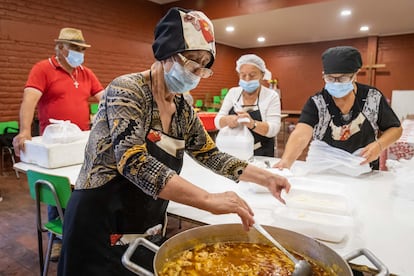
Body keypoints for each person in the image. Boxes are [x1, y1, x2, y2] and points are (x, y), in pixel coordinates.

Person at [57, 8, 290, 275]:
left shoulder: (181, 109)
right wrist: (207, 199)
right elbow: (134, 162)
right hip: (100, 218)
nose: (196, 73)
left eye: (203, 67)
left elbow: (211, 154)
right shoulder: (127, 90)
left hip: (145, 220)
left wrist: (266, 177)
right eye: (192, 63)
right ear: (166, 54)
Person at [12, 27, 104, 261]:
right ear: (61, 48)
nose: (80, 53)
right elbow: (29, 100)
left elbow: (104, 99)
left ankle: (81, 231)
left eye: (83, 49)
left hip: (80, 142)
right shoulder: (43, 69)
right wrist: (24, 131)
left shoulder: (86, 73)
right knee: (59, 188)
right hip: (54, 145)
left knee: (82, 183)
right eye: (76, 48)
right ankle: (58, 238)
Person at [274, 46, 402, 170]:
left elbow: (395, 128)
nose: (336, 83)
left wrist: (379, 145)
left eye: (343, 78)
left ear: (355, 74)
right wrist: (286, 161)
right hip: (325, 167)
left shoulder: (372, 98)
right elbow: (301, 134)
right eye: (330, 78)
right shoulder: (318, 102)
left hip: (363, 166)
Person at [214, 54, 281, 157]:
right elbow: (217, 121)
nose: (247, 79)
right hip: (232, 151)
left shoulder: (271, 96)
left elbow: (274, 129)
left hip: (261, 152)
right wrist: (227, 120)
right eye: (243, 75)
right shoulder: (233, 93)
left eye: (252, 75)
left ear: (262, 75)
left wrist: (252, 124)